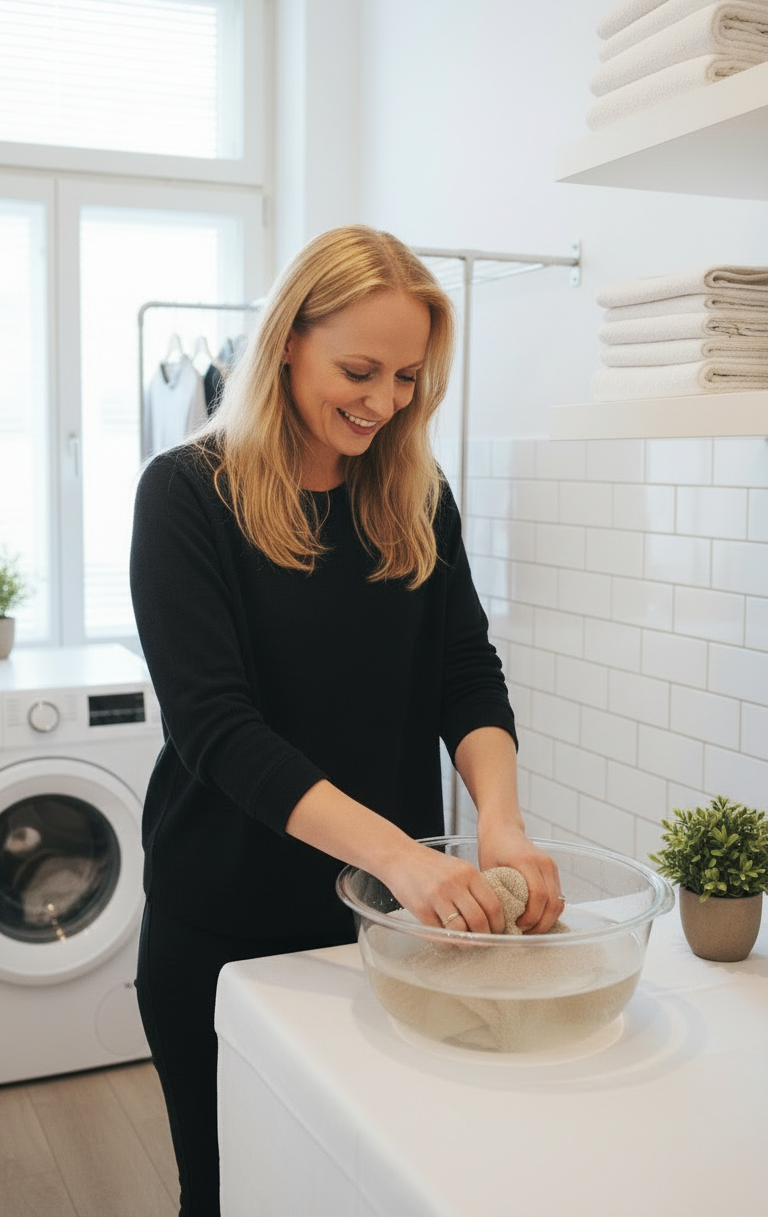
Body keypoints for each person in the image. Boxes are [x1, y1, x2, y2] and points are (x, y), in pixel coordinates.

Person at [130, 224, 562, 1217]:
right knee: (230, 1194)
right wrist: (404, 858)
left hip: (386, 932)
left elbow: (464, 671)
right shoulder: (187, 495)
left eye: (408, 377)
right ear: (288, 342)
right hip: (227, 930)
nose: (385, 401)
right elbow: (216, 728)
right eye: (360, 371)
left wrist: (500, 823)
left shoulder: (415, 496)